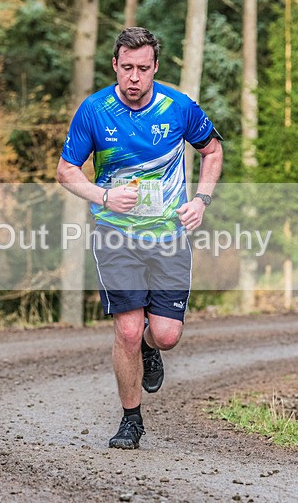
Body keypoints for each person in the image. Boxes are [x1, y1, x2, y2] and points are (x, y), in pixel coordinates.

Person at [57, 27, 223, 449]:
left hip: (169, 236)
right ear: (114, 65)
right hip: (116, 236)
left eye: (142, 69)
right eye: (126, 68)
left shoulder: (178, 107)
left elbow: (213, 150)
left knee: (165, 335)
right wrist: (104, 196)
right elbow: (66, 170)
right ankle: (131, 420)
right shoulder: (94, 110)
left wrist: (201, 199)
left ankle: (152, 347)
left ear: (155, 69)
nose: (134, 77)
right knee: (127, 331)